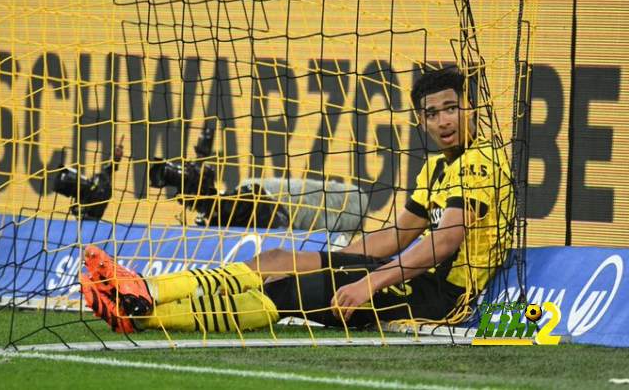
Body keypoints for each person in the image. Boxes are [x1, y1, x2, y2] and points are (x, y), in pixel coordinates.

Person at [80, 68, 515, 334]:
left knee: (289, 291)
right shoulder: (437, 168)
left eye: (450, 108)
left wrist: (368, 282)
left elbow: (444, 242)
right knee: (276, 258)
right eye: (433, 113)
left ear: (470, 106)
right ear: (421, 119)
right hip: (409, 278)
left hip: (442, 297)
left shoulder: (482, 161)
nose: (443, 121)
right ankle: (147, 290)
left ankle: (143, 318)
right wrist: (336, 259)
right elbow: (398, 235)